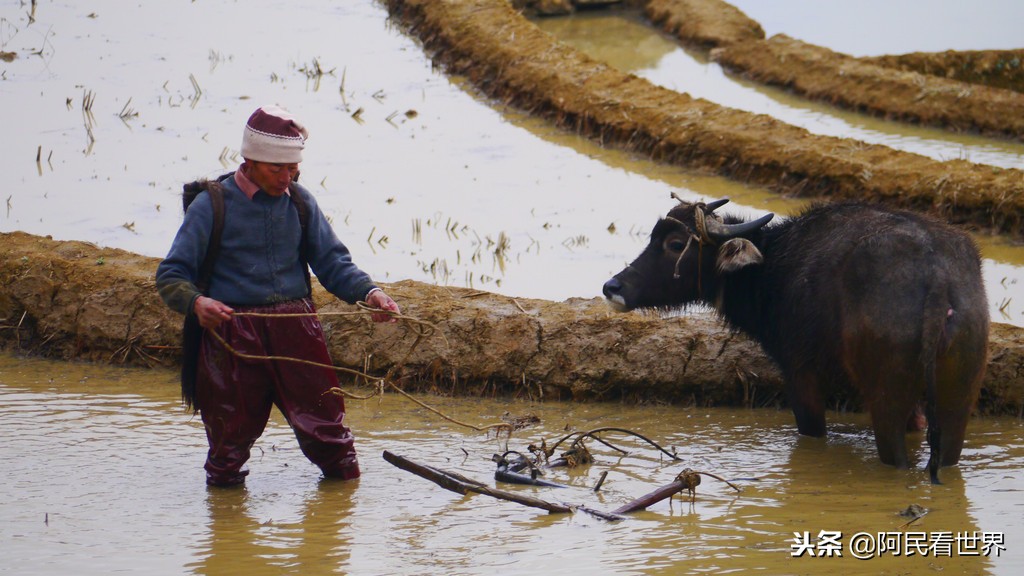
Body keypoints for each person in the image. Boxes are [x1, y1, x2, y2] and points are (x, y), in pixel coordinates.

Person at [156, 105, 399, 487]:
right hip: (232, 334)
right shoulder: (211, 206)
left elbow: (333, 263)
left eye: (293, 169)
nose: (286, 179)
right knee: (228, 441)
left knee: (330, 434)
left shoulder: (300, 203)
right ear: (250, 161)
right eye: (277, 169)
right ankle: (226, 518)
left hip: (297, 331)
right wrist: (197, 303)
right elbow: (172, 274)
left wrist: (370, 293)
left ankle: (341, 508)